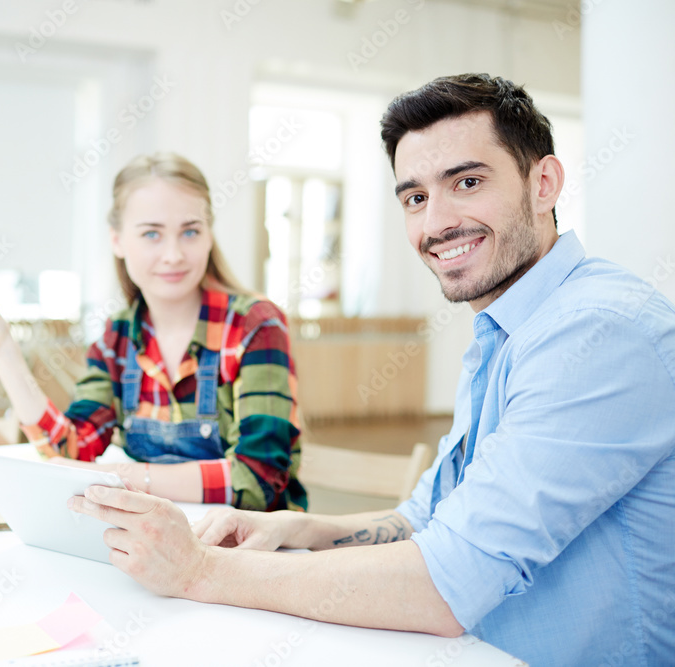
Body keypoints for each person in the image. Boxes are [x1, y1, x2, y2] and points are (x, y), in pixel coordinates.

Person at [67, 74, 675, 665]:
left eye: (466, 181)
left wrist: (200, 571)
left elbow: (449, 579)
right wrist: (292, 530)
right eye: (415, 197)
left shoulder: (599, 331)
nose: (436, 223)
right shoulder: (505, 330)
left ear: (544, 183)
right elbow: (423, 520)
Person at [0, 152, 307, 512]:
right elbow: (71, 451)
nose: (174, 254)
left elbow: (258, 481)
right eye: (151, 234)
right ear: (117, 240)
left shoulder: (256, 325)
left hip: (247, 556)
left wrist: (120, 475)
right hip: (155, 544)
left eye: (190, 231)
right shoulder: (118, 339)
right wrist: (2, 350)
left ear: (209, 235)